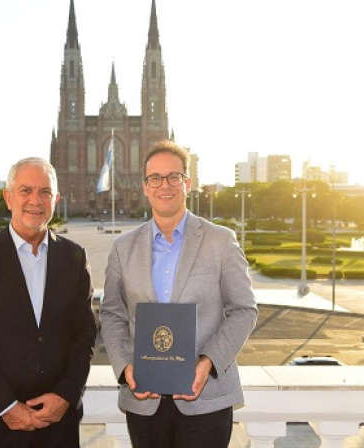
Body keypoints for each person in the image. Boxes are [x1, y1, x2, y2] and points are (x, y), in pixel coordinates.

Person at [99, 140, 258, 448]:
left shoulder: (220, 241)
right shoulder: (123, 248)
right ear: (145, 186)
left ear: (188, 182)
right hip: (144, 401)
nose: (164, 185)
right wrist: (125, 367)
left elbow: (244, 310)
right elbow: (111, 314)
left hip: (207, 398)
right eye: (155, 178)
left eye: (173, 176)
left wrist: (209, 362)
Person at [0, 157, 97, 448]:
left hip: (58, 423)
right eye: (25, 190)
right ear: (8, 197)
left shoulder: (74, 257)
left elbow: (84, 334)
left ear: (56, 199)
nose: (35, 200)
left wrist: (66, 395)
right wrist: (6, 406)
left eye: (44, 192)